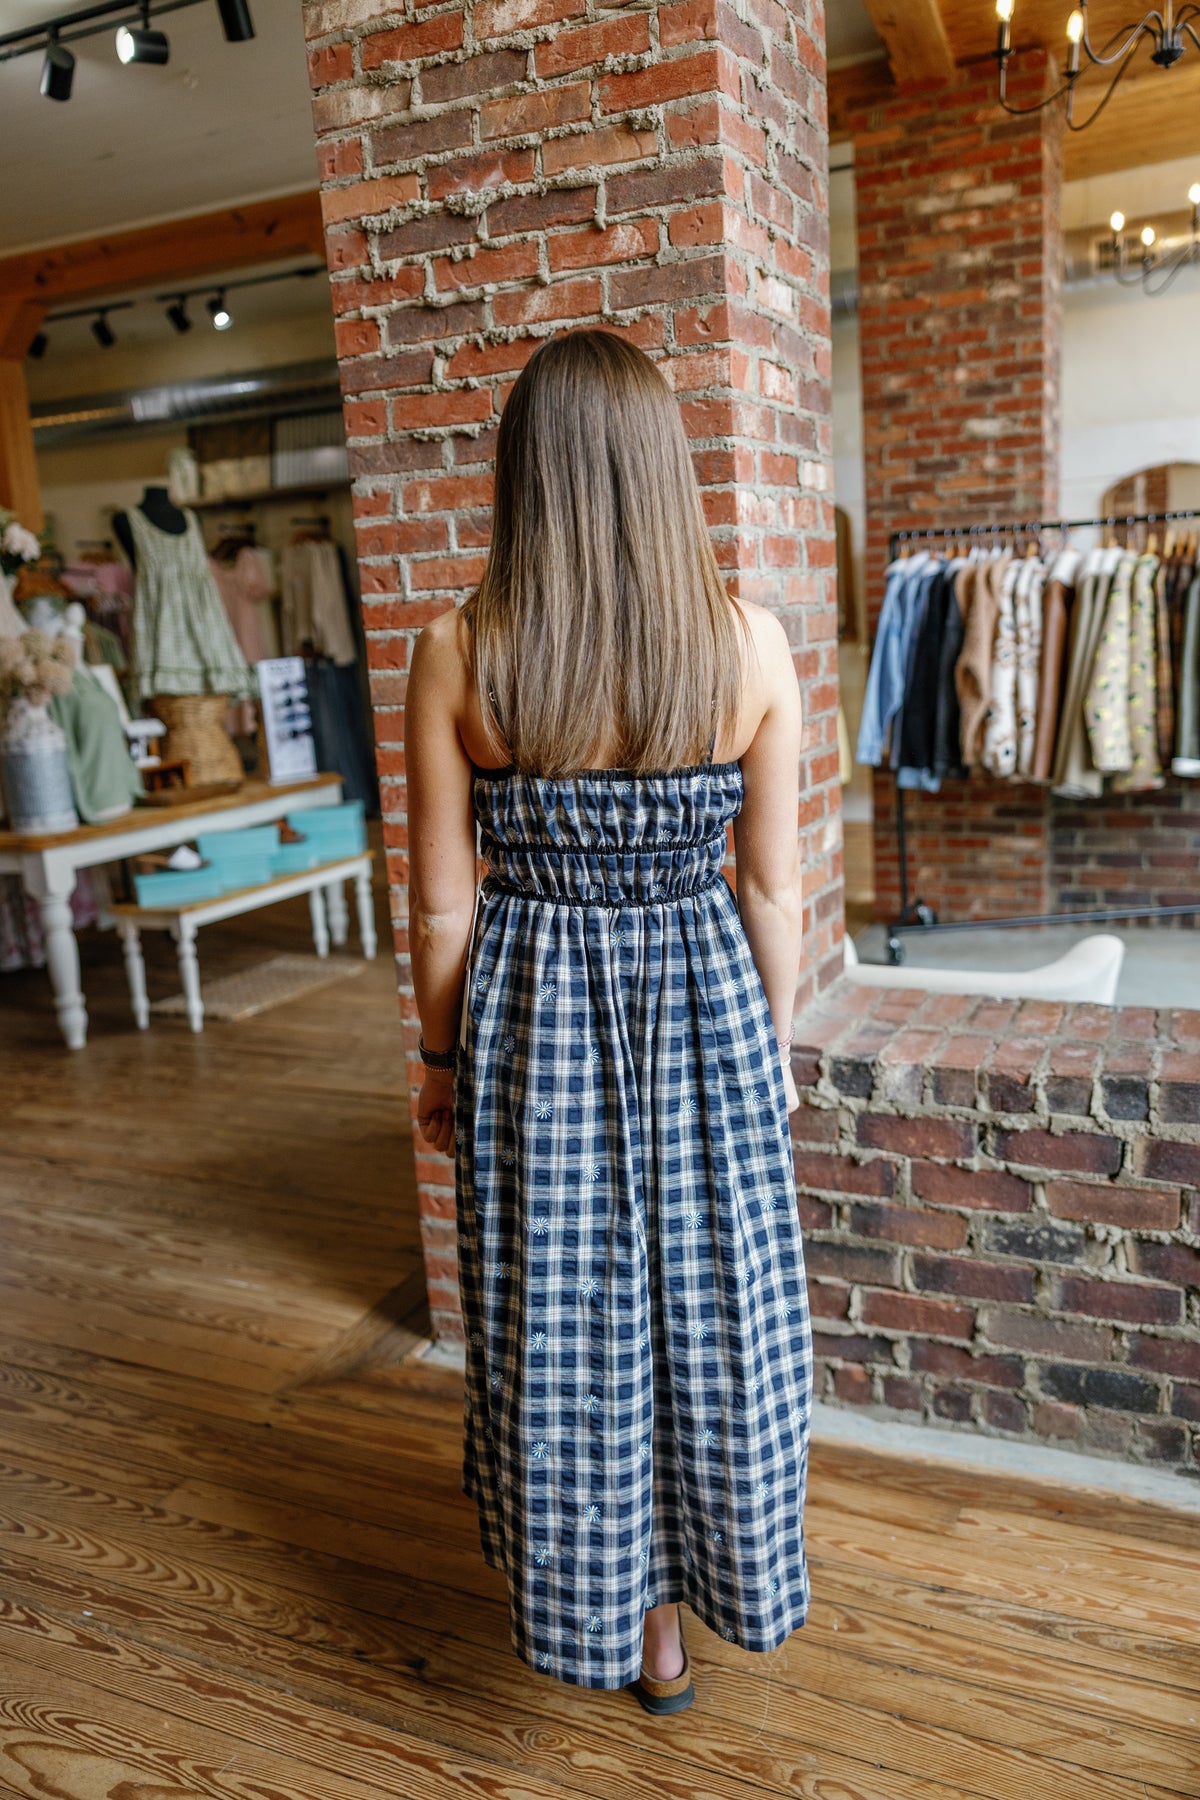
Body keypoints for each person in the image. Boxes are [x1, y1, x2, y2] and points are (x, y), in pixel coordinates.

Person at [405, 328, 811, 1711]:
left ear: (525, 474)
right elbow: (772, 889)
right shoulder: (750, 646)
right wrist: (770, 1052)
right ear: (662, 468)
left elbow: (442, 912)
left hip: (538, 1020)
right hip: (707, 1005)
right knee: (716, 1308)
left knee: (563, 1316)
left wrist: (441, 1061)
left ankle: (612, 1616)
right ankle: (691, 1612)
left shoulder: (461, 651)